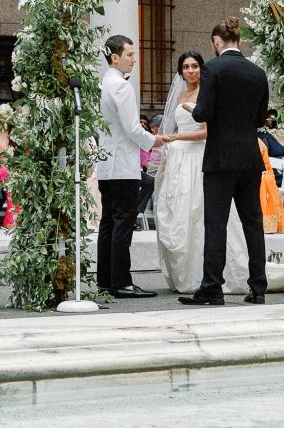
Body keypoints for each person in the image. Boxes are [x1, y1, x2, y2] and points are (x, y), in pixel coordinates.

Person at [181, 18, 270, 306]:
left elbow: (204, 112)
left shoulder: (212, 68)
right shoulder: (257, 73)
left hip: (220, 157)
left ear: (217, 42)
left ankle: (212, 287)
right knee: (253, 222)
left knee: (216, 223)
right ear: (239, 40)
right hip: (249, 156)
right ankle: (257, 287)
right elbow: (259, 119)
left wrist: (192, 108)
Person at [98, 34, 159, 298]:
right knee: (123, 222)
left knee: (108, 223)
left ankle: (105, 279)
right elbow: (133, 128)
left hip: (106, 164)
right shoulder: (122, 87)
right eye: (130, 54)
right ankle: (122, 282)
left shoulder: (103, 83)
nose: (134, 59)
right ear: (115, 57)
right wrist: (154, 140)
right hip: (122, 164)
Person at [152, 50, 204, 293]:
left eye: (194, 66)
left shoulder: (205, 93)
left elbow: (206, 131)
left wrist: (177, 137)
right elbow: (172, 124)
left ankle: (198, 272)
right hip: (177, 157)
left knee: (194, 211)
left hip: (196, 156)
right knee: (172, 211)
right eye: (186, 67)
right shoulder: (180, 94)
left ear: (201, 69)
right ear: (180, 71)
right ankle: (179, 272)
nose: (190, 71)